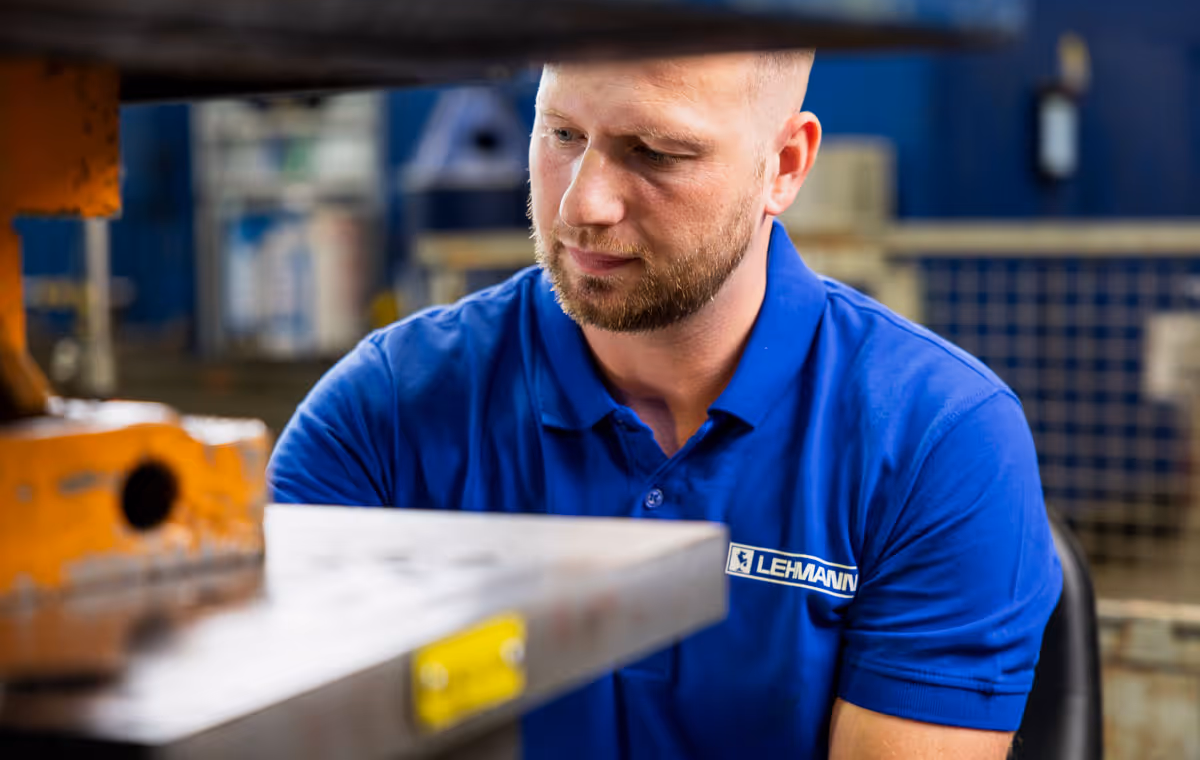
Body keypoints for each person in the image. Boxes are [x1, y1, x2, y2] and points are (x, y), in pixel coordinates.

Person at [269, 50, 1063, 759]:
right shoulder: (387, 412)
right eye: (561, 136)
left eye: (654, 152)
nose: (584, 205)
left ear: (784, 165)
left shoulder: (935, 440)